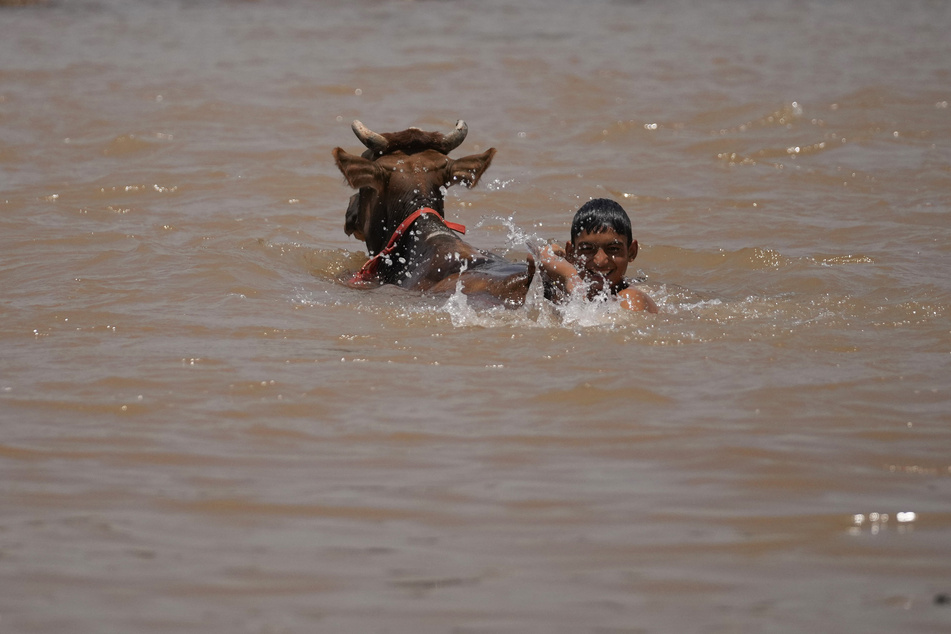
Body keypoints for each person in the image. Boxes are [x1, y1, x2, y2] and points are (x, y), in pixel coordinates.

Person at [534, 198, 658, 313]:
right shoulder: (579, 286)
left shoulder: (630, 299)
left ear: (631, 251)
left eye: (613, 249)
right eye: (587, 249)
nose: (600, 261)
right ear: (572, 253)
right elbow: (541, 255)